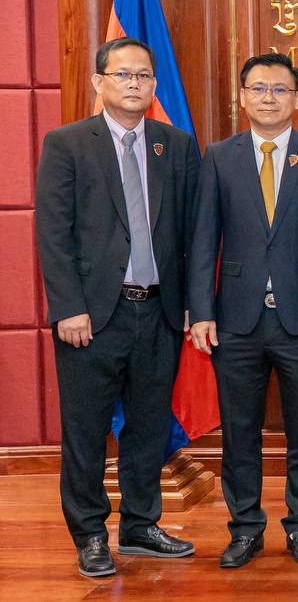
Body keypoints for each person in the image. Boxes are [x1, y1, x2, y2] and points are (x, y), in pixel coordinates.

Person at [35, 37, 200, 578]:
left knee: (149, 427)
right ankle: (89, 534)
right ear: (99, 82)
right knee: (86, 430)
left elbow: (192, 232)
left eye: (144, 76)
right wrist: (68, 307)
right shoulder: (67, 144)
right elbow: (53, 233)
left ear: (154, 85)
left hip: (159, 311)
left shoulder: (175, 145)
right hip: (91, 316)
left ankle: (139, 525)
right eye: (123, 74)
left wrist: (191, 306)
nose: (134, 84)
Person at [187, 53, 298, 568]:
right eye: (258, 88)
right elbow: (203, 238)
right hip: (236, 318)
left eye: (279, 89)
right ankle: (245, 528)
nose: (268, 98)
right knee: (240, 433)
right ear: (242, 96)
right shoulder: (219, 156)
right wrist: (201, 310)